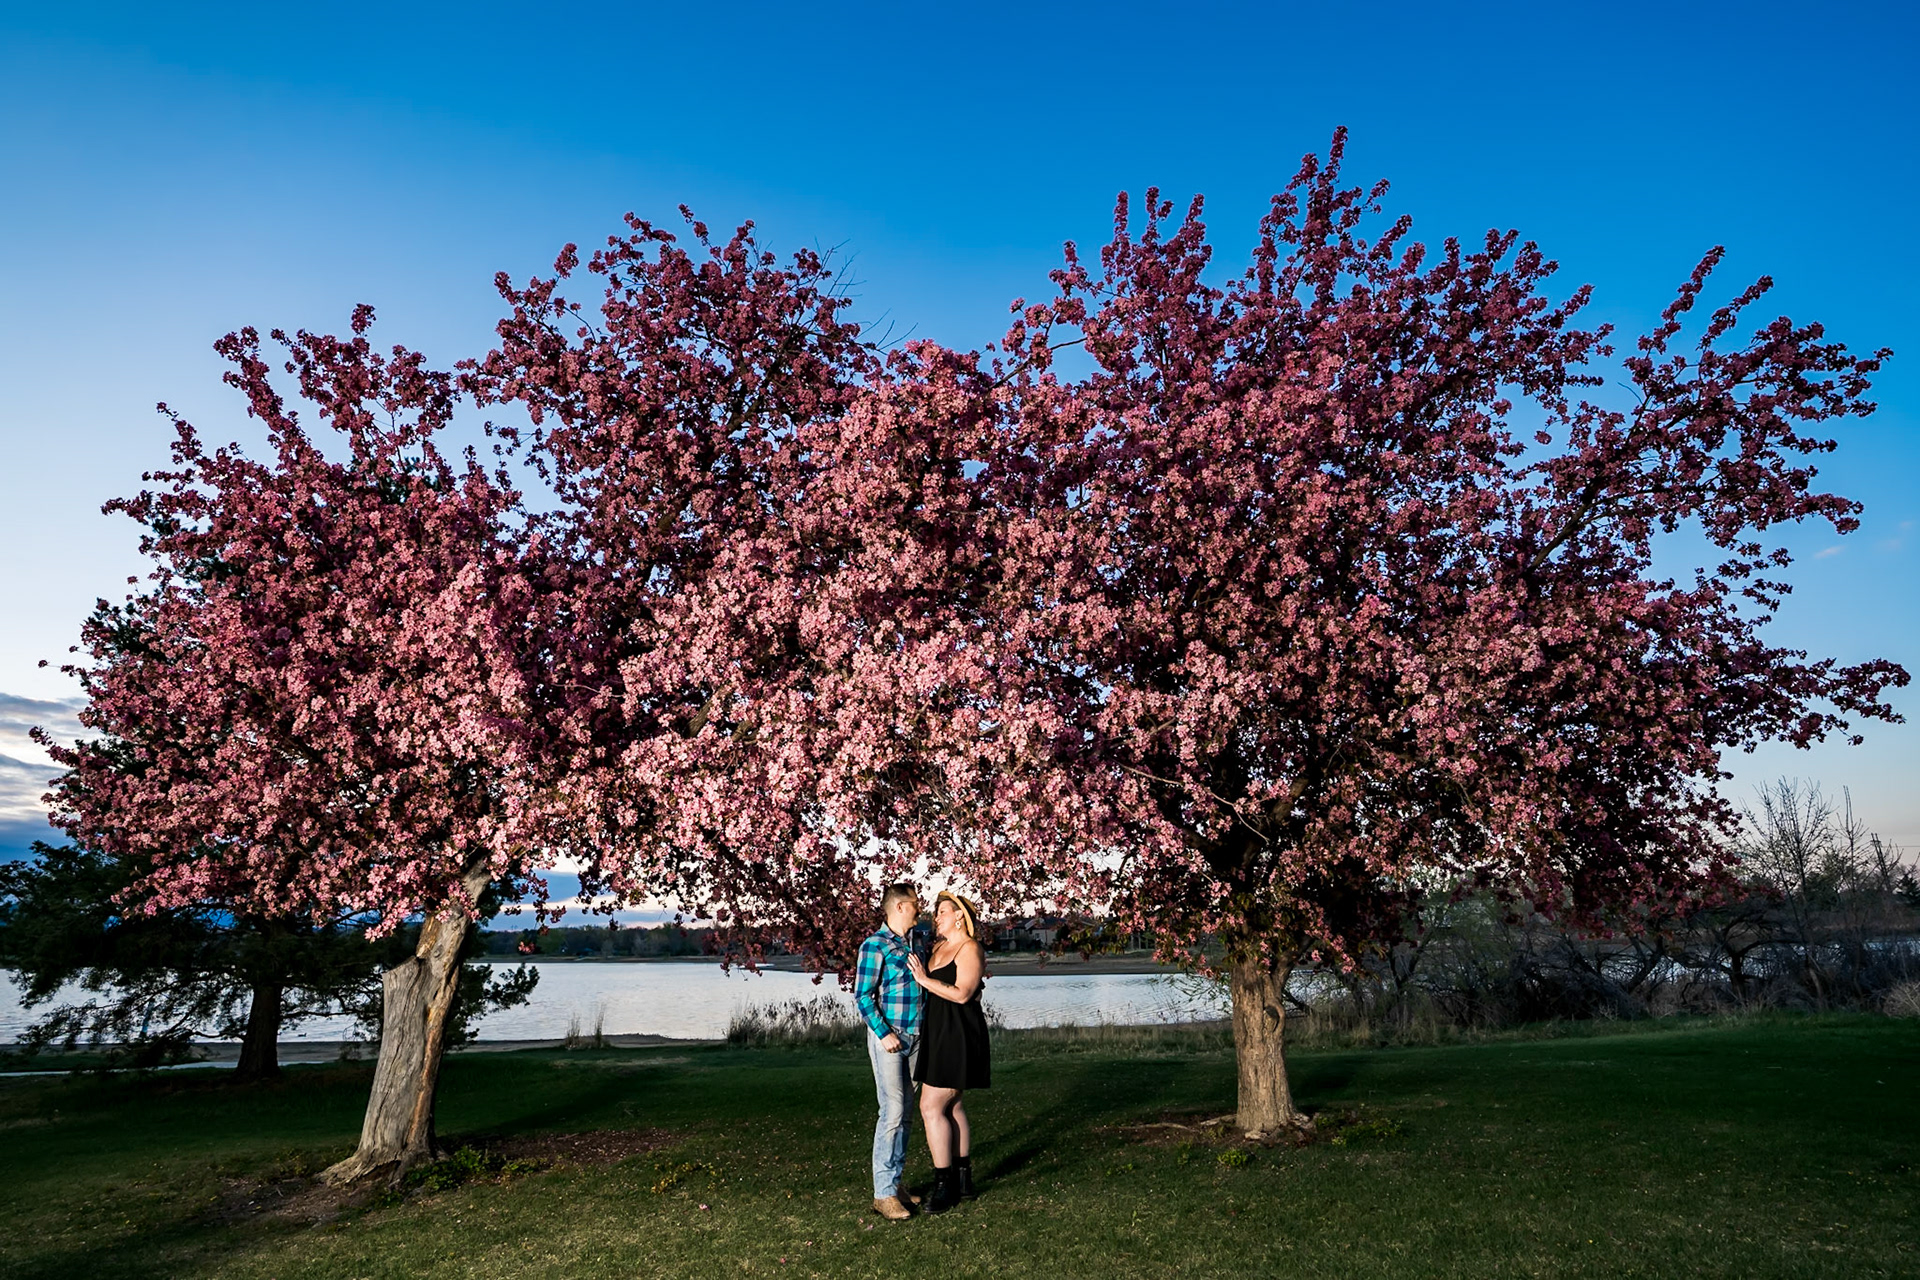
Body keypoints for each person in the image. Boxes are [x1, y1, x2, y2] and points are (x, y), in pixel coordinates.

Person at [908, 890, 991, 1213]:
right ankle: (963, 1179)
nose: (936, 917)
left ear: (959, 916)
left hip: (960, 1033)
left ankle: (945, 1186)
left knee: (930, 1106)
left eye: (942, 912)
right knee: (953, 1105)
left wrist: (923, 979)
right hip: (938, 1031)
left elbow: (962, 994)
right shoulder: (938, 948)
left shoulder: (970, 948)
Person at [852, 882, 924, 1221]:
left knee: (906, 1112)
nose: (919, 909)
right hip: (891, 1039)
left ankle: (895, 1184)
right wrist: (884, 1034)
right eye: (914, 903)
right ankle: (883, 1194)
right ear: (899, 906)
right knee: (892, 1110)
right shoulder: (874, 945)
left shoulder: (915, 944)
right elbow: (863, 996)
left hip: (917, 1039)